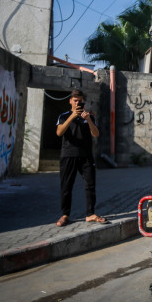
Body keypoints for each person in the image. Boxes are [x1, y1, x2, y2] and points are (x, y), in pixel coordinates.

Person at [55, 90, 107, 226]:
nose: (78, 102)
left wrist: (88, 119)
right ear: (70, 101)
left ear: (83, 101)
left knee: (90, 184)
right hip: (68, 155)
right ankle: (65, 214)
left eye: (80, 100)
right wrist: (72, 116)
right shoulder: (64, 116)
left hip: (86, 156)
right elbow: (59, 132)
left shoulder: (89, 116)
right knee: (66, 185)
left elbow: (96, 134)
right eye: (75, 100)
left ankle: (90, 214)